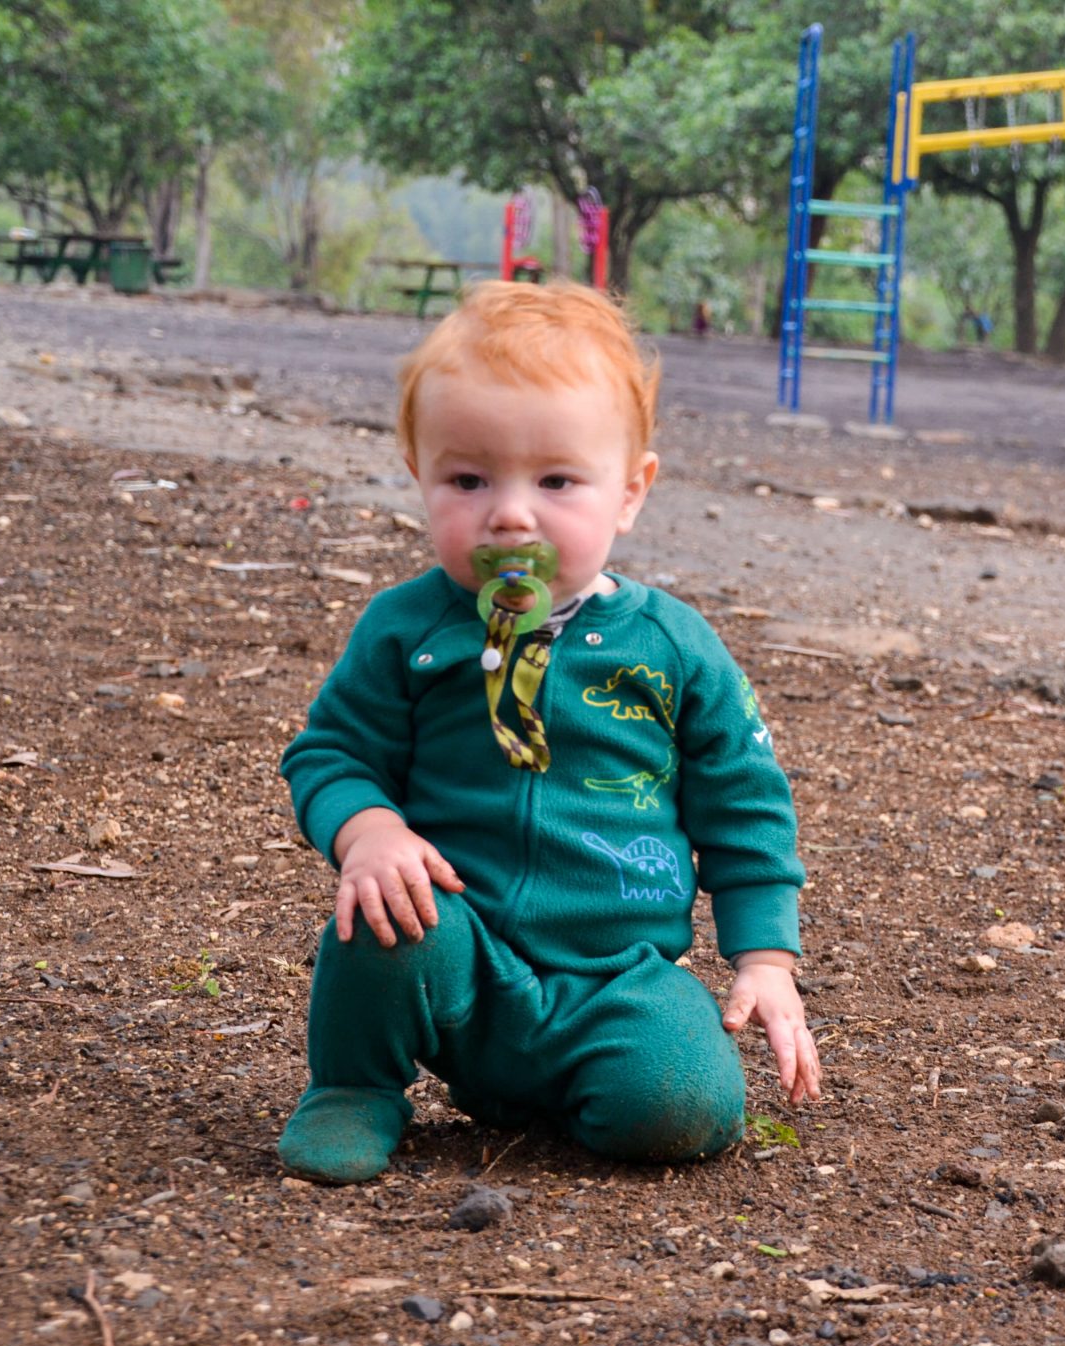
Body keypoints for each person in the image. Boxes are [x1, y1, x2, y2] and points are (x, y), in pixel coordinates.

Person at [275, 280, 820, 1184]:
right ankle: (353, 1086)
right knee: (381, 915)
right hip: (456, 946)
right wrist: (368, 829)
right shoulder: (407, 628)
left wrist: (765, 954)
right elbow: (331, 752)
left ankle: (571, 1086)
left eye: (557, 480)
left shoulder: (672, 646)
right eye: (469, 478)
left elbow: (745, 802)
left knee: (685, 1103)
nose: (511, 513)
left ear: (631, 492)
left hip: (617, 974)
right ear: (420, 473)